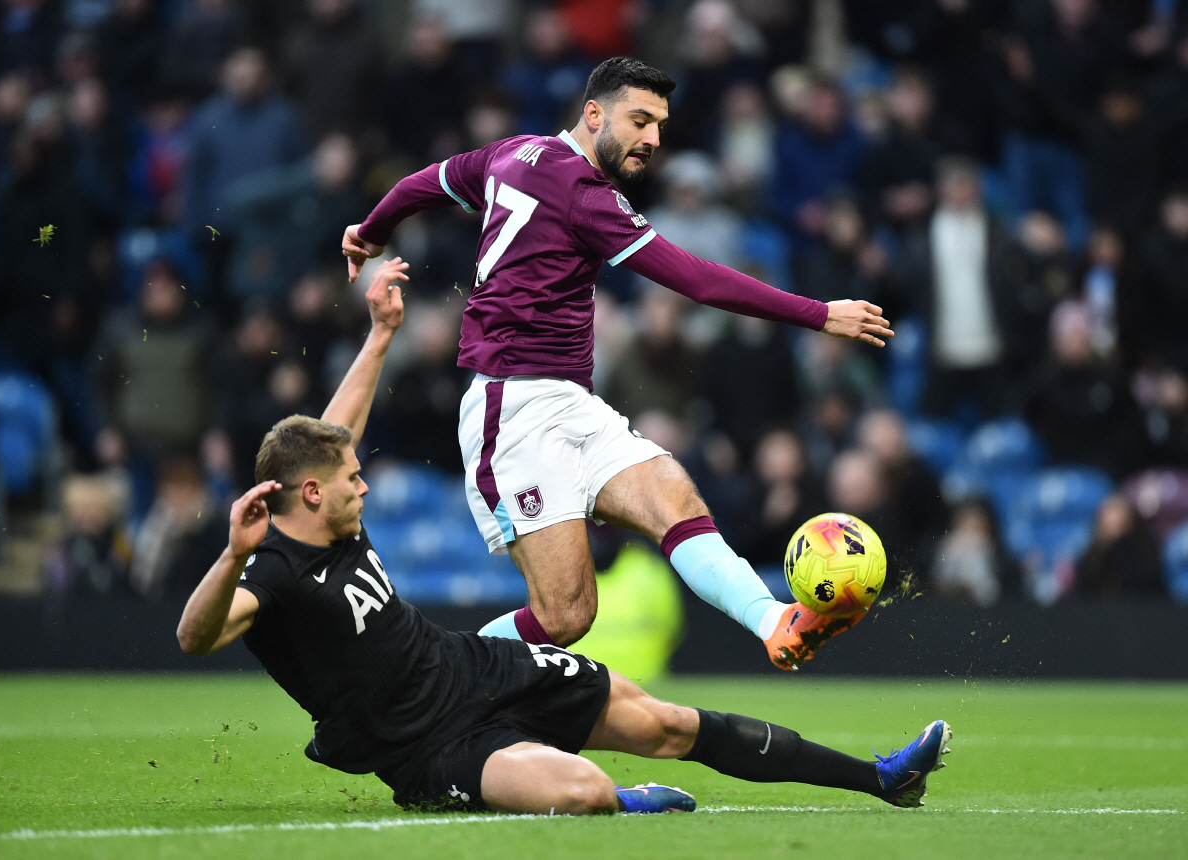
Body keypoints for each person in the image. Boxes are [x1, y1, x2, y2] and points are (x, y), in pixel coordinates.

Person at [176, 259, 952, 815]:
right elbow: (194, 636)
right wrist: (234, 553)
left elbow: (335, 433)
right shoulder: (269, 571)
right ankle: (622, 800)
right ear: (309, 493)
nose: (365, 485)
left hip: (471, 666)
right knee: (583, 792)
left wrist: (379, 337)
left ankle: (881, 780)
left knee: (666, 722)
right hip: (425, 749)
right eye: (351, 481)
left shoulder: (328, 508)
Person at [341, 57, 894, 671]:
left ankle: (775, 622)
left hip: (572, 402)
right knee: (564, 617)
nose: (652, 139)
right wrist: (820, 314)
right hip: (513, 410)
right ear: (594, 113)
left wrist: (370, 228)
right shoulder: (584, 196)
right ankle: (420, 678)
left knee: (673, 495)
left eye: (658, 125)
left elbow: (425, 183)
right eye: (639, 121)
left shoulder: (511, 154)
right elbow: (698, 280)